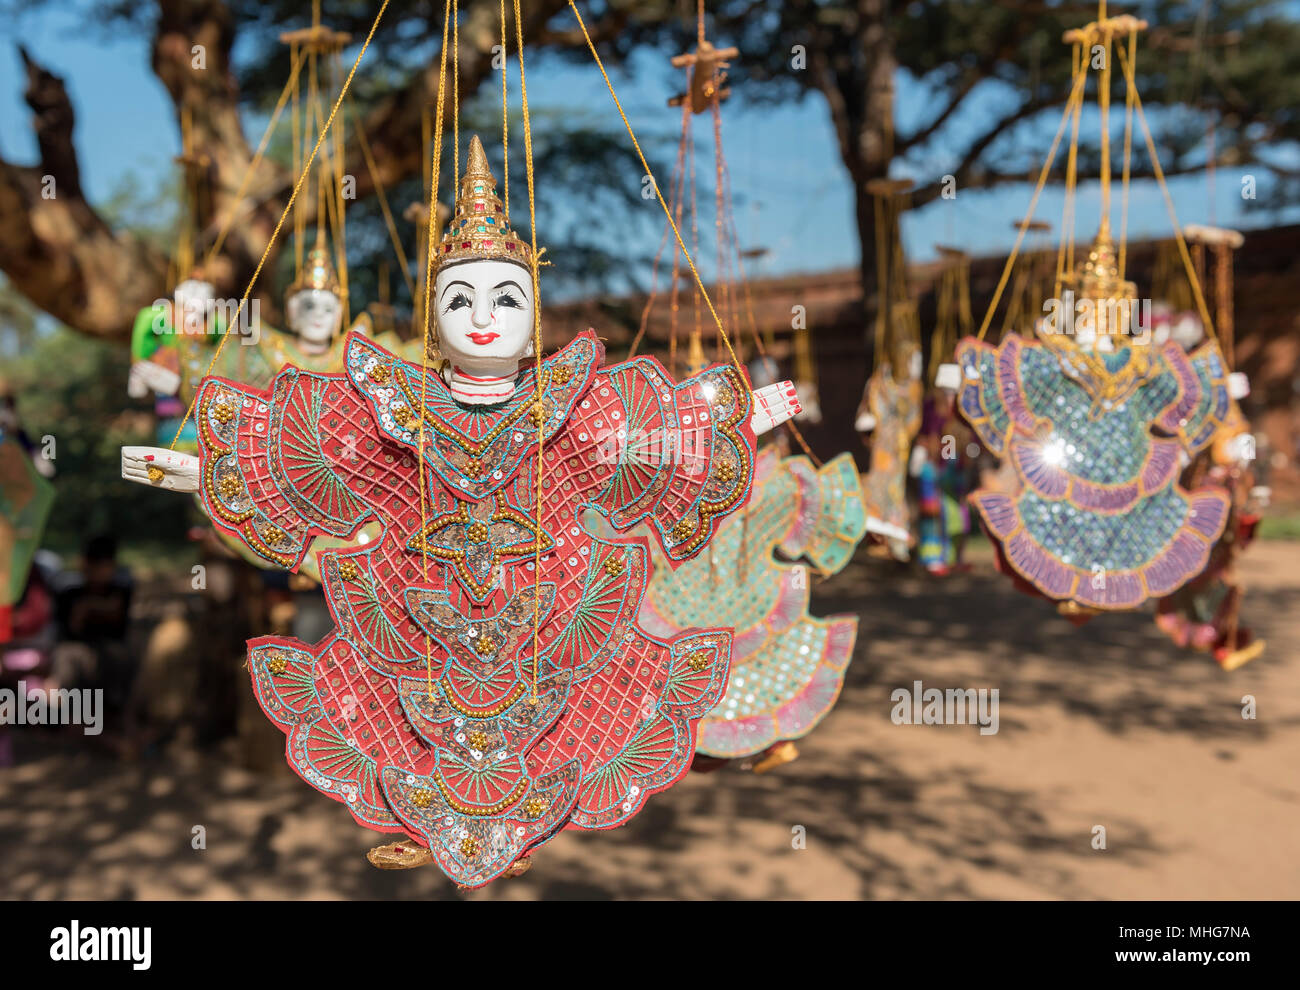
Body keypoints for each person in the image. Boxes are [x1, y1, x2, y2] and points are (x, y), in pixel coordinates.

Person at [121, 135, 800, 888]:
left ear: (534, 313)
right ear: (433, 316)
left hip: (548, 605)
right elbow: (298, 453)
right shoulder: (397, 409)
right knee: (405, 723)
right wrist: (184, 466)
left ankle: (525, 826)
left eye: (505, 298)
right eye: (460, 300)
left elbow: (647, 445)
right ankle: (438, 827)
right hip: (422, 607)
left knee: (562, 722)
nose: (483, 317)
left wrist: (746, 415)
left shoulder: (568, 408)